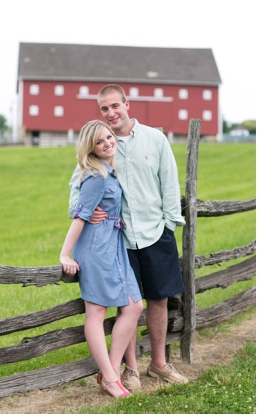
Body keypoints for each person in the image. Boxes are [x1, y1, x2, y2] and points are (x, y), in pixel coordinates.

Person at [69, 84, 189, 389]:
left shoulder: (154, 138)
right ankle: (130, 369)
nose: (111, 113)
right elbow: (77, 186)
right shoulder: (101, 144)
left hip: (155, 231)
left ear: (127, 104)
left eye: (115, 106)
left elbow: (170, 183)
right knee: (128, 304)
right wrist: (83, 211)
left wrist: (169, 225)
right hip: (119, 240)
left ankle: (159, 364)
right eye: (104, 109)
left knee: (159, 300)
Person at [60, 120, 143, 398]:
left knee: (133, 306)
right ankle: (109, 377)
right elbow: (80, 216)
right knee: (96, 313)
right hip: (96, 247)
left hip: (113, 244)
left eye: (109, 137)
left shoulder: (110, 170)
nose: (107, 143)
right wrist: (64, 253)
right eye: (99, 141)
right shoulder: (96, 176)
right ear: (90, 148)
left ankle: (112, 369)